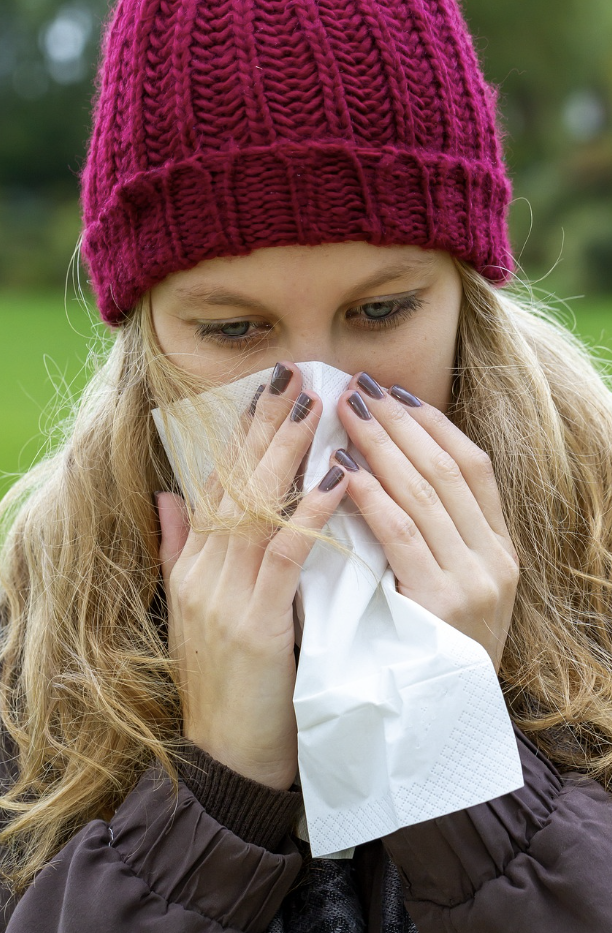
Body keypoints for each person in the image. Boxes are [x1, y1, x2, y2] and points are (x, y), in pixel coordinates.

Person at [1, 0, 612, 930]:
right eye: (233, 329)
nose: (319, 399)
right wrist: (215, 794)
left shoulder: (598, 554)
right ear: (146, 335)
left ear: (466, 296)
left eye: (382, 311)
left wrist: (459, 763)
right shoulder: (37, 637)